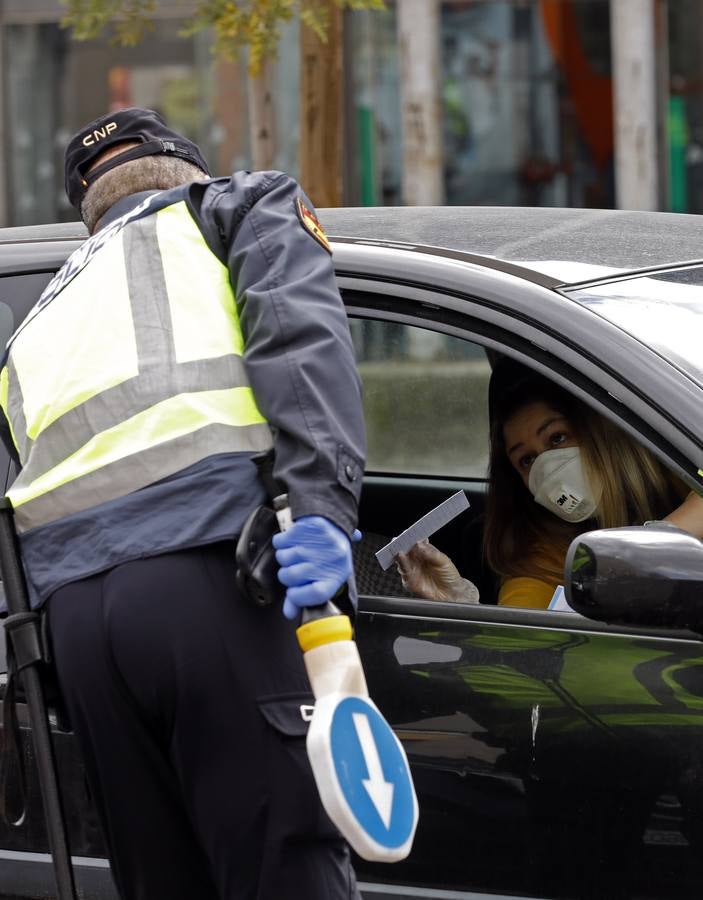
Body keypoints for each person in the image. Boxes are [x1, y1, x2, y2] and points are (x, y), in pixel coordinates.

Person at [0, 108, 366, 900]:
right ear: (189, 170)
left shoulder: (35, 323)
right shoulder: (235, 207)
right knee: (283, 866)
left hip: (79, 629)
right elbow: (300, 349)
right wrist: (322, 507)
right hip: (211, 585)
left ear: (87, 213)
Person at [396, 358, 703, 609]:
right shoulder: (541, 554)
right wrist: (464, 607)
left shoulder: (680, 462)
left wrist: (637, 555)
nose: (548, 468)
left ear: (599, 433)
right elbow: (520, 642)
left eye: (557, 438)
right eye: (527, 460)